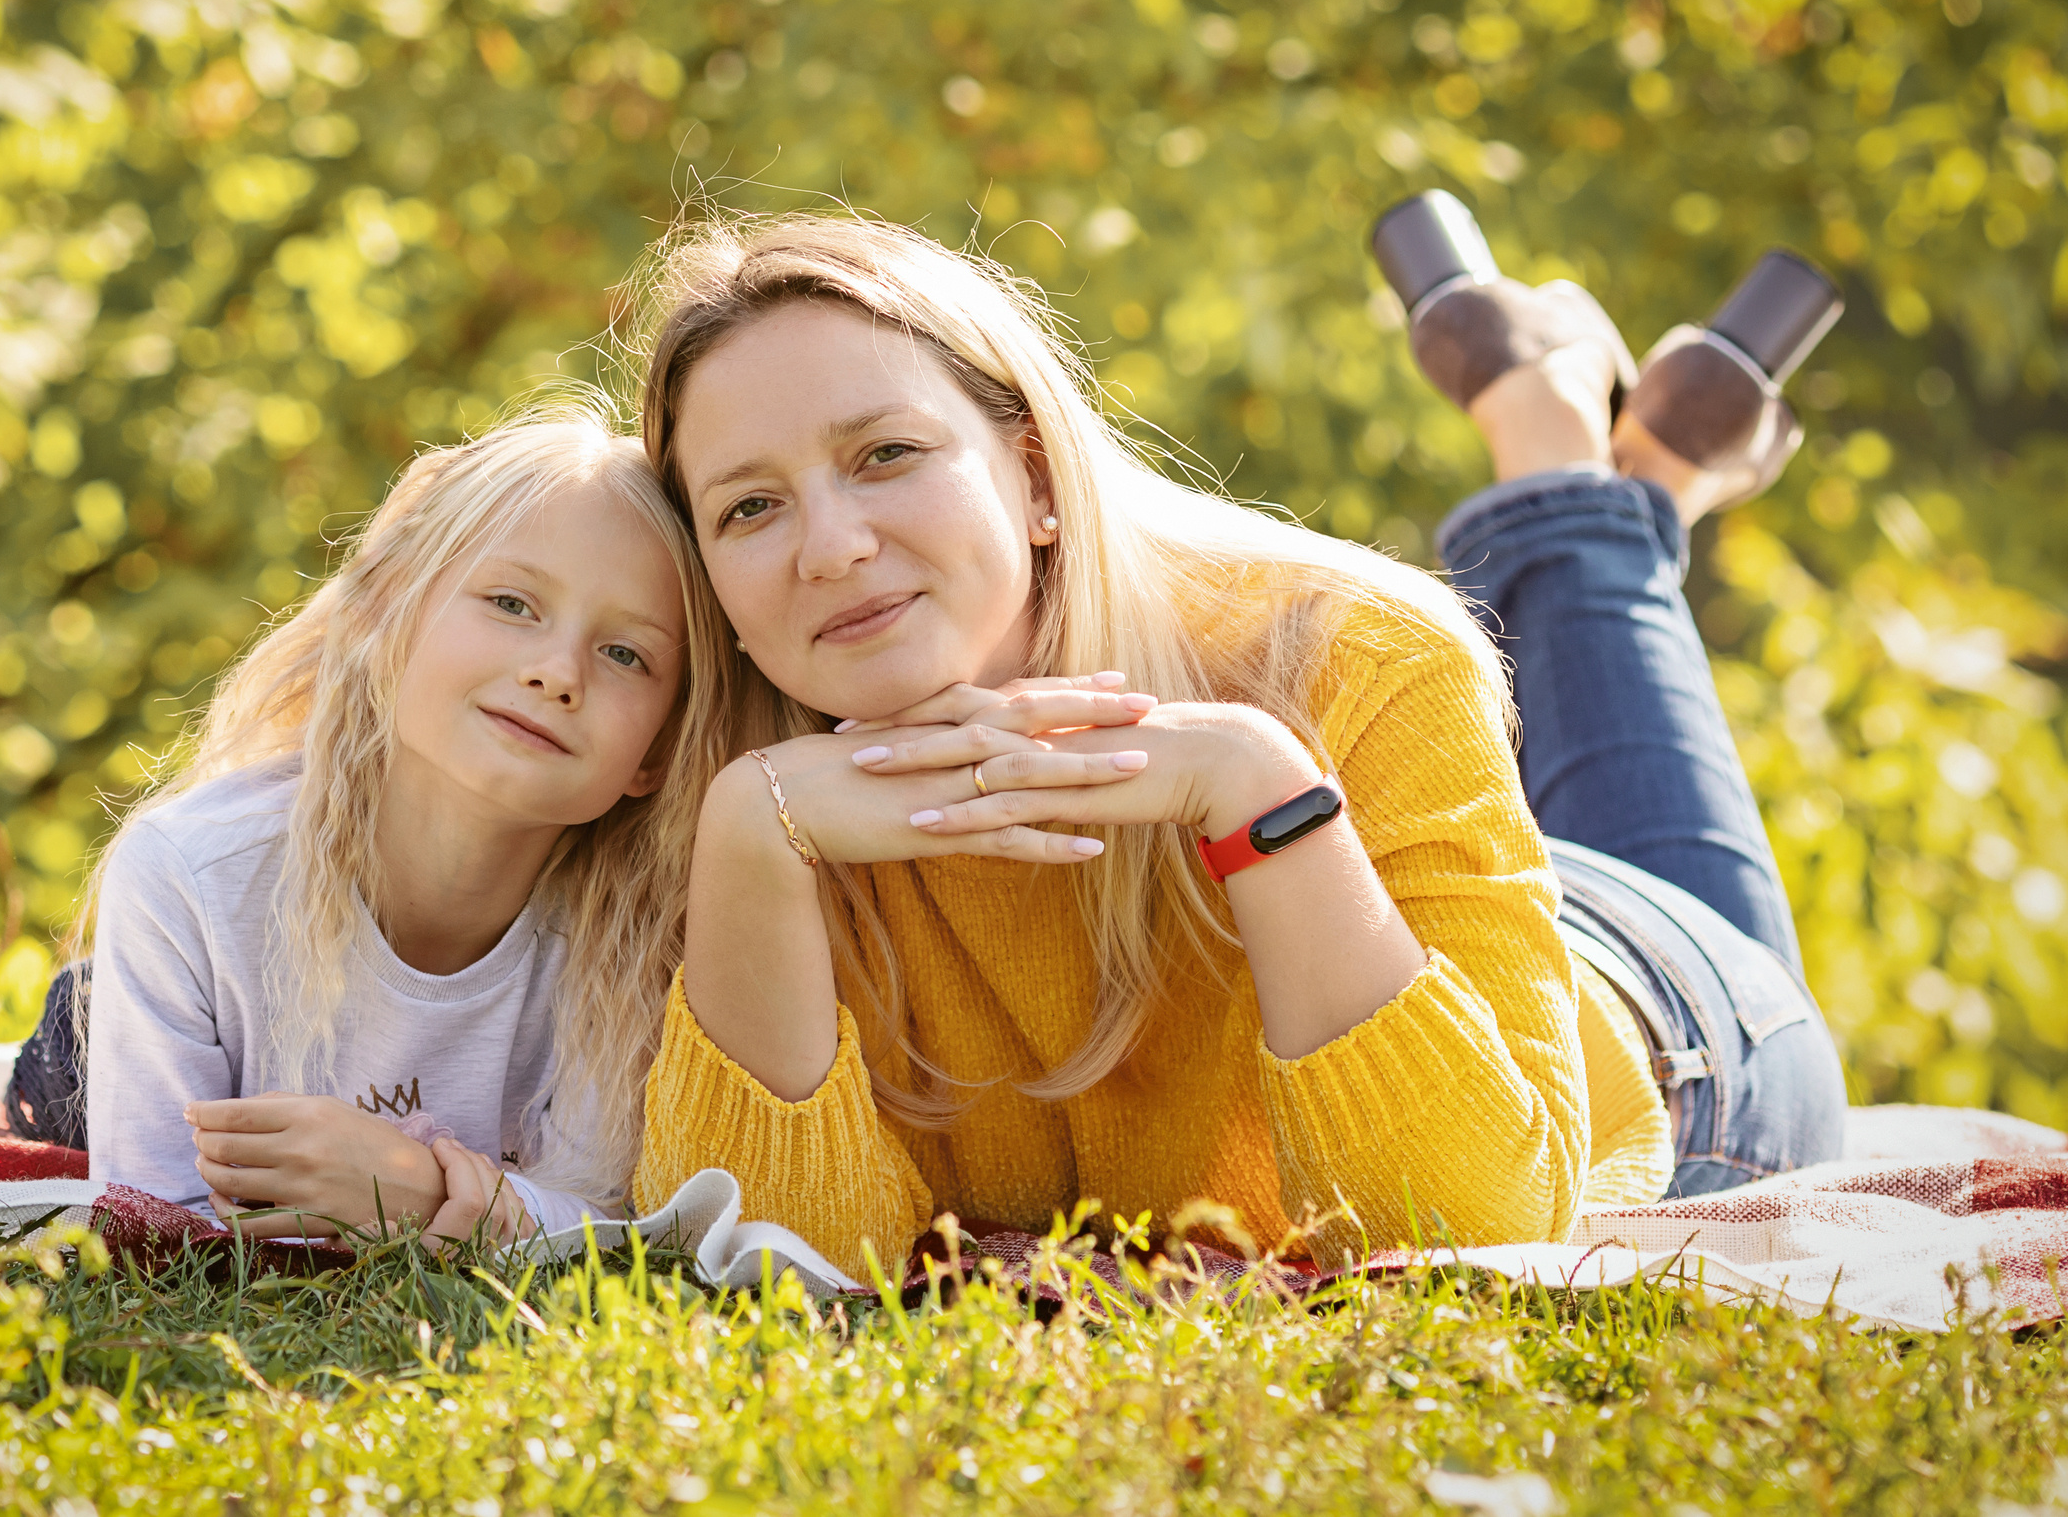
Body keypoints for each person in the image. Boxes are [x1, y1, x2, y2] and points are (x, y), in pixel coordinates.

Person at [621, 214, 1845, 1277]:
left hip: (1655, 1024)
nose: (830, 548)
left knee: (1681, 873)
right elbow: (769, 1266)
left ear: (1036, 478)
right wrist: (750, 837)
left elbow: (1465, 1224)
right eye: (749, 506)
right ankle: (1641, 467)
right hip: (1435, 888)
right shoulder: (726, 786)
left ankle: (1552, 436)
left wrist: (1258, 791)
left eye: (884, 454)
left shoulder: (1351, 653)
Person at [43, 401, 737, 1242]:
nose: (558, 672)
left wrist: (410, 1191)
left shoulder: (634, 942)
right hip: (96, 1050)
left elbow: (607, 1226)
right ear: (383, 611)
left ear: (655, 753)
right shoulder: (188, 874)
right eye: (512, 603)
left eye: (625, 653)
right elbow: (158, 1226)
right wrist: (473, 1208)